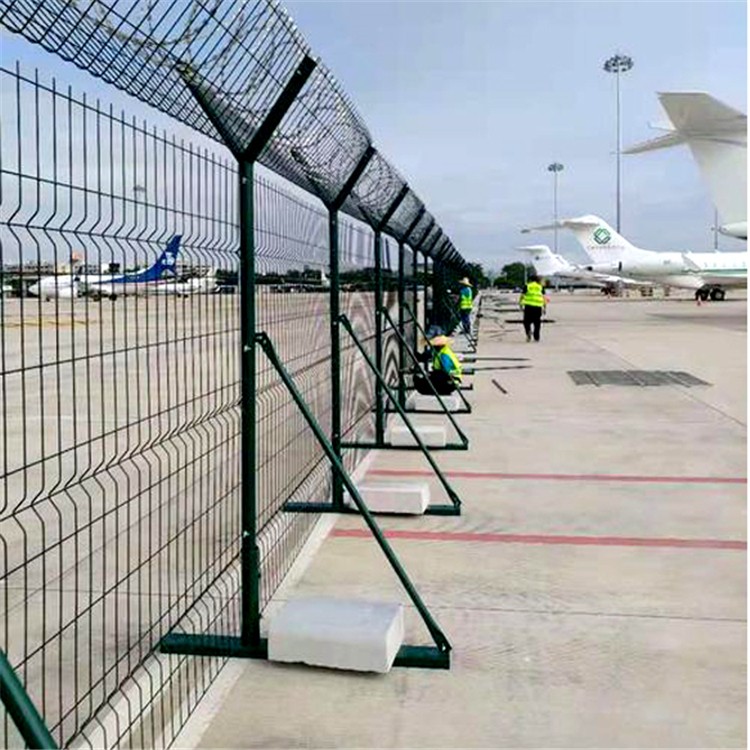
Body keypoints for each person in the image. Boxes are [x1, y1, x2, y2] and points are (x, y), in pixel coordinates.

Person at [519, 274, 547, 342]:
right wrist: (544, 307)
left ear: (530, 280)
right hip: (538, 307)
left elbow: (522, 296)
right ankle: (536, 336)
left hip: (528, 306)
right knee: (537, 322)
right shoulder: (540, 287)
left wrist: (520, 304)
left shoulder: (527, 286)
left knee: (526, 321)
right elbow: (544, 298)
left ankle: (528, 331)